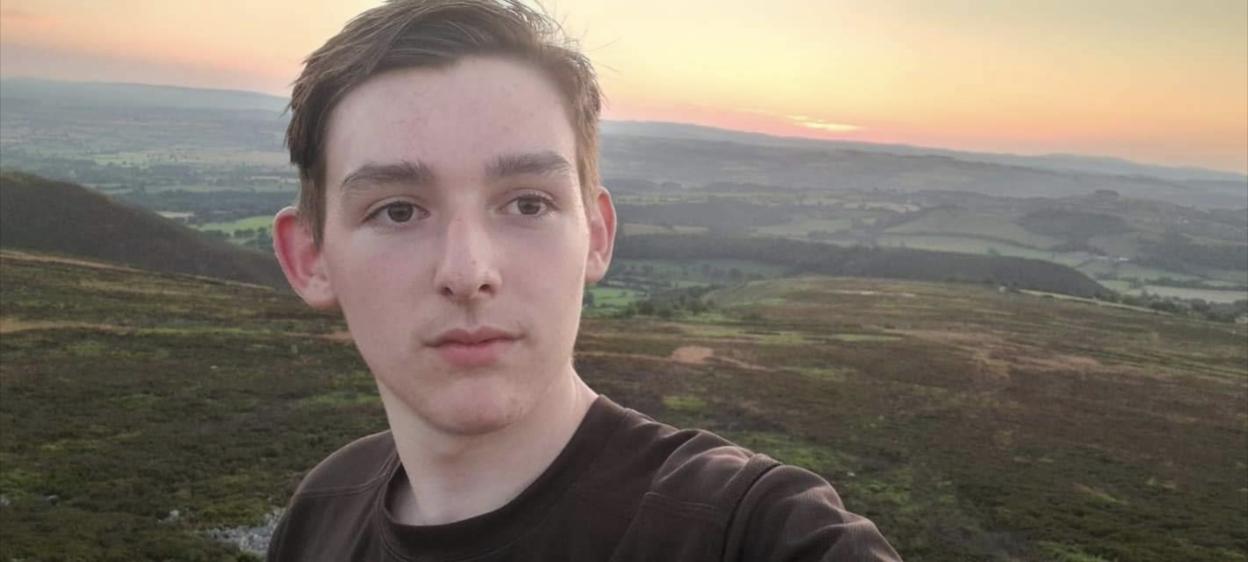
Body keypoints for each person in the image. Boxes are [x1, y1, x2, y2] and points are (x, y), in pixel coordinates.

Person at [268, 1, 901, 560]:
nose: (467, 273)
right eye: (398, 212)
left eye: (528, 204)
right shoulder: (321, 513)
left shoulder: (759, 532)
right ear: (310, 260)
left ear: (597, 236)